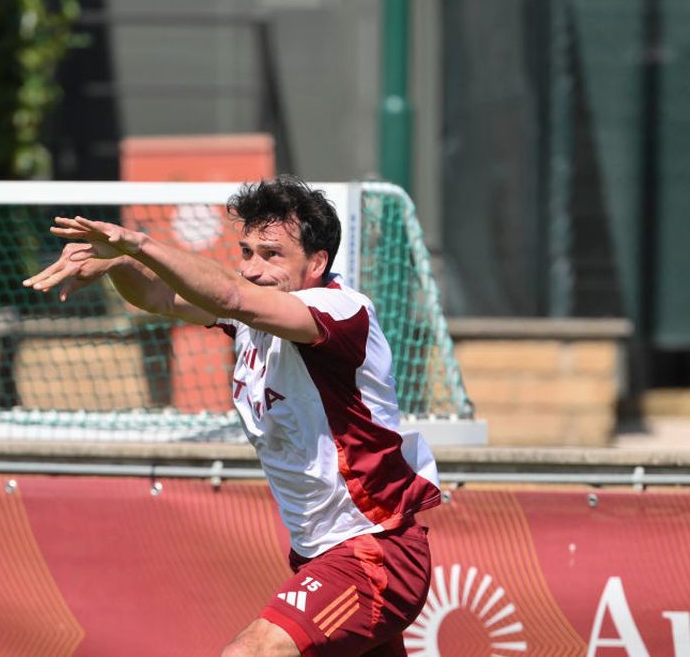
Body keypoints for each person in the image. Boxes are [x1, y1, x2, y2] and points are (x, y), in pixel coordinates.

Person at [23, 176, 441, 656]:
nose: (254, 269)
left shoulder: (340, 310)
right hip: (319, 553)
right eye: (246, 253)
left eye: (272, 254)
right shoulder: (251, 315)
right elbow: (159, 297)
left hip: (373, 550)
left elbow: (230, 297)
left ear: (317, 263)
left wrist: (138, 243)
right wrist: (117, 262)